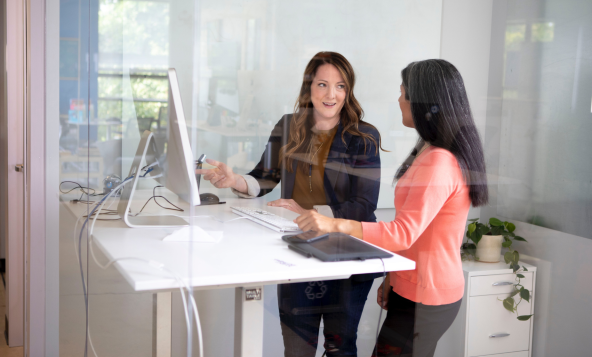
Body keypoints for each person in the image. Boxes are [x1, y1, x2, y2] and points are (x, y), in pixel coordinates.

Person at [293, 59, 489, 357]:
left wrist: (332, 223)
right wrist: (392, 278)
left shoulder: (439, 160)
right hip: (411, 286)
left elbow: (403, 233)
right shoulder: (430, 149)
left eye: (403, 93)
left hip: (426, 294)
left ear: (425, 103)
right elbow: (418, 229)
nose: (399, 100)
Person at [197, 51, 386, 357]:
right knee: (297, 348)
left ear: (348, 91)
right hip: (299, 251)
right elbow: (264, 179)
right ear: (309, 88)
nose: (331, 94)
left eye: (340, 86)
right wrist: (234, 180)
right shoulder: (288, 126)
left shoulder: (363, 137)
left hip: (347, 253)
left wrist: (308, 213)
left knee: (341, 348)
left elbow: (363, 205)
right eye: (323, 84)